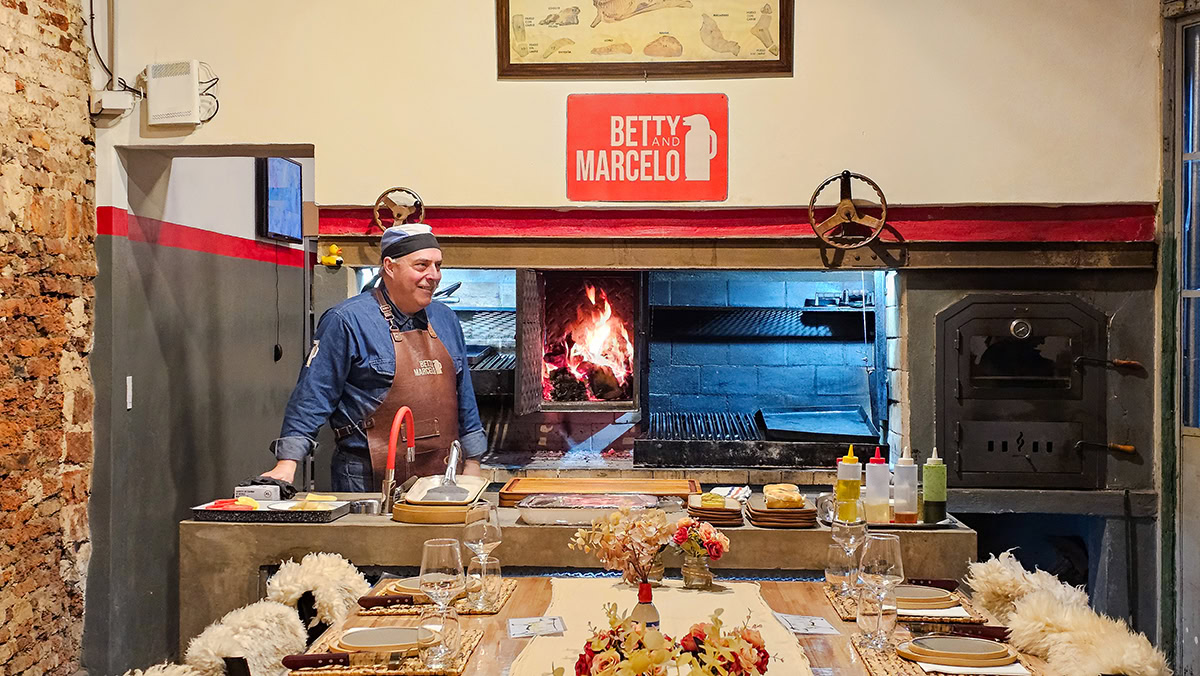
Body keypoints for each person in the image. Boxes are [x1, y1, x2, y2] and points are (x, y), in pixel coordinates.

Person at [261, 222, 486, 491]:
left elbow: (464, 394)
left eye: (438, 266)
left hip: (439, 473)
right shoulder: (347, 321)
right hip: (365, 475)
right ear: (390, 267)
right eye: (421, 265)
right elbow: (314, 393)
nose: (434, 275)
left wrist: (472, 460)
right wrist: (288, 461)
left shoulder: (446, 319)